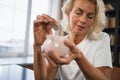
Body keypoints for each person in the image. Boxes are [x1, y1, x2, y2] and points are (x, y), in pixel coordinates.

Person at [33, 0, 113, 80]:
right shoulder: (61, 43)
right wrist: (37, 45)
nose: (83, 20)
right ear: (68, 14)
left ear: (94, 21)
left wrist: (78, 56)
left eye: (90, 17)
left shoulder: (101, 38)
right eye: (78, 13)